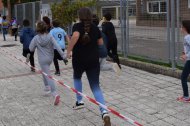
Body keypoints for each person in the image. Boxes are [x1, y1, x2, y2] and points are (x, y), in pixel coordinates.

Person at [67, 8, 111, 126]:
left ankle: (79, 101)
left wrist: (68, 51)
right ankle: (104, 112)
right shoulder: (96, 28)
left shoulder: (76, 26)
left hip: (79, 60)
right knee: (96, 87)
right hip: (93, 61)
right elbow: (101, 44)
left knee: (77, 78)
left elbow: (75, 36)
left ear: (79, 16)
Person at [29, 21, 67, 105]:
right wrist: (64, 56)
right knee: (44, 72)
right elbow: (57, 46)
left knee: (48, 75)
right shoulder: (50, 36)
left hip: (42, 59)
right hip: (50, 58)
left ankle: (54, 93)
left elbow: (31, 49)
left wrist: (35, 45)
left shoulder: (36, 38)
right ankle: (46, 88)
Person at [177, 20, 190, 102]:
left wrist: (187, 55)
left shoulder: (187, 37)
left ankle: (186, 97)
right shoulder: (188, 36)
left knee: (183, 77)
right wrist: (185, 52)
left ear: (185, 28)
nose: (180, 28)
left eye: (181, 27)